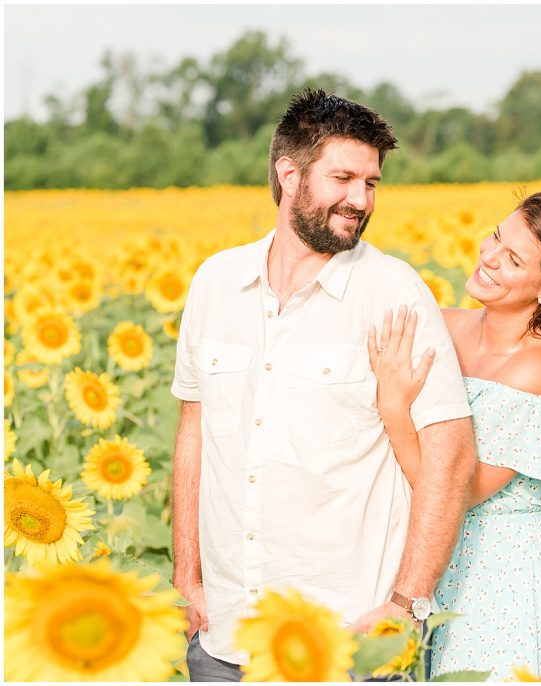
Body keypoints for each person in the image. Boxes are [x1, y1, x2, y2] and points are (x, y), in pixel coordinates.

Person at [170, 89, 478, 681]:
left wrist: (406, 603)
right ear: (289, 173)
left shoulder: (392, 291)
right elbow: (196, 431)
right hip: (223, 637)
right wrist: (190, 577)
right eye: (343, 177)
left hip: (349, 642)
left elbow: (452, 457)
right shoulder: (214, 282)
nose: (360, 199)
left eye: (372, 183)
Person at [367, 190, 541, 681]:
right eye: (497, 236)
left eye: (512, 259)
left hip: (506, 579)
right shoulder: (443, 324)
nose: (488, 257)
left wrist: (393, 408)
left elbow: (454, 493)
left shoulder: (538, 370)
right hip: (438, 561)